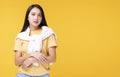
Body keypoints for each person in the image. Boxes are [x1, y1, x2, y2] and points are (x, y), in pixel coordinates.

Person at [14, 4, 57, 77]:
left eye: (39, 15)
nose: (36, 18)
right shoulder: (21, 36)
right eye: (33, 14)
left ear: (42, 18)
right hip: (23, 74)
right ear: (28, 17)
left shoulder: (48, 34)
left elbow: (53, 58)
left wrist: (32, 60)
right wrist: (31, 54)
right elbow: (17, 62)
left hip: (43, 75)